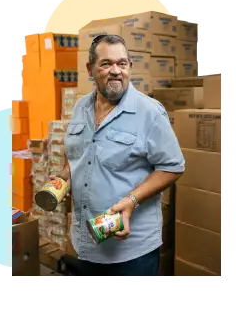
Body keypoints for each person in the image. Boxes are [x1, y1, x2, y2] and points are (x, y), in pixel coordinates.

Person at [51, 34, 185, 283]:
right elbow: (79, 153)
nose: (115, 71)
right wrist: (64, 176)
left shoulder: (149, 112)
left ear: (130, 67)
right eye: (106, 64)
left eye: (122, 64)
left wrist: (132, 200)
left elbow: (173, 166)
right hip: (87, 242)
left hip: (131, 254)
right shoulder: (81, 107)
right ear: (90, 69)